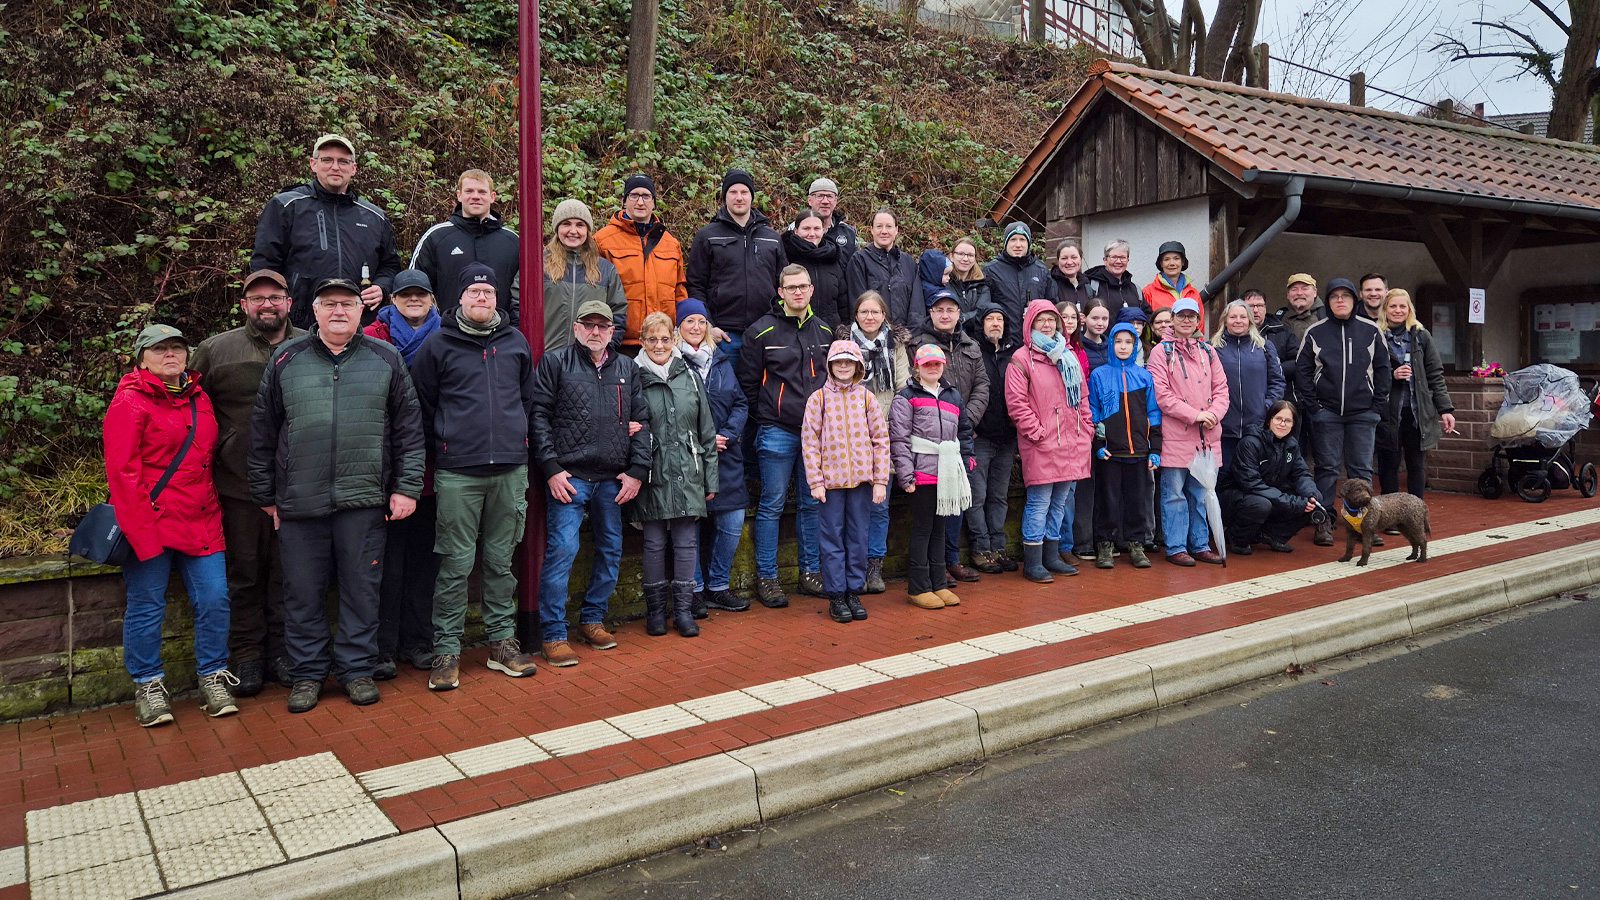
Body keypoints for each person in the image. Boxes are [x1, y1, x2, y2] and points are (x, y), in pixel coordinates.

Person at [248, 278, 425, 713]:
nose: (339, 311)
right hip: (299, 501)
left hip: (364, 500)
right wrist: (266, 495)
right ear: (314, 311)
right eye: (329, 304)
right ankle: (307, 675)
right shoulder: (286, 357)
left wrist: (406, 488)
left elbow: (409, 430)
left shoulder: (386, 357)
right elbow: (263, 432)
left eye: (347, 304)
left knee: (361, 590)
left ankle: (356, 670)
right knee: (302, 593)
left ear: (362, 311)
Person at [409, 263, 538, 690]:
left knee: (501, 563)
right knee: (455, 563)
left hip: (510, 470)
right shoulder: (438, 344)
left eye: (488, 292)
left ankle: (502, 643)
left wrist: (515, 440)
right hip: (458, 473)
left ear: (497, 298)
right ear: (460, 297)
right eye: (474, 291)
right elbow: (423, 405)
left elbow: (526, 398)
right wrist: (448, 443)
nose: (482, 297)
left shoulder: (515, 341)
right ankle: (447, 649)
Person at [104, 324, 235, 727]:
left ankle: (213, 676)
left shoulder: (198, 396)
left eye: (177, 348)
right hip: (150, 521)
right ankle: (148, 684)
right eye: (159, 349)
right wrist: (141, 535)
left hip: (200, 517)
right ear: (141, 359)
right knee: (146, 606)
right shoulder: (129, 401)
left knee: (214, 599)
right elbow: (122, 473)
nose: (170, 355)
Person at [191, 271, 303, 697]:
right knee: (244, 574)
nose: (266, 304)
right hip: (238, 487)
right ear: (244, 306)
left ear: (289, 302)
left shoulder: (311, 344)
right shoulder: (216, 350)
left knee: (290, 574)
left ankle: (282, 653)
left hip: (298, 485)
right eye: (257, 298)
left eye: (275, 296)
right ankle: (249, 656)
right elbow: (189, 409)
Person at [530, 300, 652, 667]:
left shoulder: (627, 368)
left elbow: (642, 421)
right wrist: (551, 468)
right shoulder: (555, 362)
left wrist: (637, 470)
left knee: (611, 549)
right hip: (569, 477)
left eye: (602, 326)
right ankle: (553, 633)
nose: (595, 331)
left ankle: (592, 618)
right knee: (562, 551)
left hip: (612, 478)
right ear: (576, 328)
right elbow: (538, 416)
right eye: (588, 325)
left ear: (612, 331)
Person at [361, 269, 442, 679]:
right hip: (383, 468)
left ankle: (419, 641)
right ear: (392, 299)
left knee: (424, 561)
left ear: (431, 299)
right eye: (406, 294)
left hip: (432, 464)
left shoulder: (447, 337)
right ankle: (383, 648)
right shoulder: (371, 338)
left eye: (421, 294)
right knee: (386, 564)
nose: (414, 300)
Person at [737, 264, 832, 607]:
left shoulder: (825, 331)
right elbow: (747, 383)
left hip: (816, 434)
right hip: (776, 431)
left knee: (811, 503)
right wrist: (767, 414)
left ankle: (810, 573)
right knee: (772, 504)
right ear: (780, 292)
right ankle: (767, 577)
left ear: (811, 289)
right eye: (791, 287)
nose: (797, 292)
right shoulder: (760, 331)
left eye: (803, 286)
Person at [250, 134, 402, 329]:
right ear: (313, 164)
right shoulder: (286, 206)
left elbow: (390, 266)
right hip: (299, 325)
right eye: (327, 160)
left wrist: (381, 287)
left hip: (359, 324)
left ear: (353, 168)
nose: (335, 167)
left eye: (343, 161)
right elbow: (264, 266)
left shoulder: (374, 217)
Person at [633, 311, 719, 639]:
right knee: (654, 543)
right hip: (651, 473)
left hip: (688, 471)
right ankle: (656, 613)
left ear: (674, 340)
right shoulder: (632, 376)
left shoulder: (690, 376)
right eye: (652, 339)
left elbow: (706, 432)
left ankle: (683, 611)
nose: (659, 345)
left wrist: (710, 479)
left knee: (686, 543)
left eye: (665, 339)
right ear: (642, 342)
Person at [1296, 276, 1392, 546]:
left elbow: (1384, 370)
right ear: (1327, 301)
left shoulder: (1371, 331)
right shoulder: (1315, 332)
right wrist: (1314, 406)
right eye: (1335, 296)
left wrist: (1376, 406)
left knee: (1361, 471)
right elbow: (1303, 371)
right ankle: (1323, 521)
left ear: (1354, 299)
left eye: (1345, 296)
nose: (1340, 301)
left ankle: (1362, 524)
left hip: (1363, 413)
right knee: (1326, 469)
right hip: (1326, 413)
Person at [800, 340, 890, 624]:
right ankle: (836, 594)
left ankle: (854, 590)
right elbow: (809, 443)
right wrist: (815, 481)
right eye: (838, 361)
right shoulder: (818, 399)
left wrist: (880, 480)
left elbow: (881, 440)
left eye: (848, 361)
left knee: (858, 537)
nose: (843, 366)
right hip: (831, 485)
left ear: (857, 366)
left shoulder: (866, 398)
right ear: (829, 365)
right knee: (831, 538)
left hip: (862, 483)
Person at [1006, 299, 1091, 582]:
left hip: (1071, 441)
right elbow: (1017, 404)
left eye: (1051, 319)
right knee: (1039, 502)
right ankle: (1033, 561)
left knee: (1059, 502)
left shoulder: (1067, 355)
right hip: (1041, 443)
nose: (1046, 324)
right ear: (1029, 324)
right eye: (1040, 319)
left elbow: (1082, 398)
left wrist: (1086, 429)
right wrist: (1038, 433)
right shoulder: (1021, 359)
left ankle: (1051, 556)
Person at [908, 290, 989, 584]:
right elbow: (911, 387)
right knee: (930, 509)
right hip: (928, 444)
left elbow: (982, 385)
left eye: (950, 309)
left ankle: (951, 560)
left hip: (960, 435)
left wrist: (964, 420)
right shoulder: (916, 344)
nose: (945, 314)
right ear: (930, 313)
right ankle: (934, 566)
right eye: (939, 309)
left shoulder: (971, 345)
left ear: (958, 314)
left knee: (954, 501)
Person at [676, 300, 749, 614]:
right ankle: (693, 589)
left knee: (733, 521)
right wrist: (701, 440)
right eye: (689, 321)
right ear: (678, 326)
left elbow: (740, 403)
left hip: (725, 455)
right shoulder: (672, 361)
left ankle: (718, 586)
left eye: (701, 321)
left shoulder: (720, 360)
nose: (696, 327)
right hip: (689, 458)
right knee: (688, 525)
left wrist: (728, 434)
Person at [890, 344, 974, 609]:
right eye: (927, 364)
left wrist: (966, 461)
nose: (933, 368)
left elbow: (964, 431)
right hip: (921, 474)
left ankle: (939, 583)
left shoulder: (953, 395)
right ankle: (918, 587)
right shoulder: (906, 396)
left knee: (940, 530)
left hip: (947, 473)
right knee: (923, 529)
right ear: (917, 367)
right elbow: (899, 438)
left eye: (937, 363)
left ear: (943, 366)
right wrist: (906, 475)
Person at [1147, 297, 1229, 567]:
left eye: (1191, 316)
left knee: (1200, 493)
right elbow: (1162, 395)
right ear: (1172, 319)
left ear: (1198, 320)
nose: (1186, 320)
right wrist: (1195, 415)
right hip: (1176, 435)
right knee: (1174, 494)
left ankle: (1200, 544)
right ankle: (1176, 547)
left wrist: (1214, 413)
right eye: (1181, 316)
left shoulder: (1209, 351)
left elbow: (1222, 389)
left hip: (1207, 435)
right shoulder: (1161, 352)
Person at [848, 290, 911, 594]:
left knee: (878, 506)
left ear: (884, 315)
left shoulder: (896, 346)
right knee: (852, 507)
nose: (869, 317)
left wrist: (889, 426)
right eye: (864, 312)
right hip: (849, 436)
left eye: (875, 312)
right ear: (856, 315)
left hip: (883, 435)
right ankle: (854, 565)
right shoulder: (845, 345)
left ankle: (874, 565)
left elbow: (902, 389)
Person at [686, 169, 786, 349]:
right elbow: (695, 285)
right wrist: (708, 325)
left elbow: (783, 285)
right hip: (724, 335)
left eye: (744, 192)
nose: (739, 197)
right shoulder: (707, 236)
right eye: (733, 192)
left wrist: (779, 322)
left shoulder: (772, 237)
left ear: (751, 196)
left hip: (766, 332)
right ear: (725, 196)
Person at [1087, 322, 1161, 569]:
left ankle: (1136, 545)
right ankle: (1105, 545)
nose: (1123, 346)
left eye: (1128, 342)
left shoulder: (1144, 376)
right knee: (1107, 501)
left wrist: (1155, 449)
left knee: (1137, 501)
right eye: (1118, 341)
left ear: (1135, 345)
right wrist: (1098, 443)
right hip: (1110, 452)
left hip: (1138, 451)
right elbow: (1094, 411)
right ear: (1111, 344)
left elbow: (1153, 412)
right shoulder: (1099, 375)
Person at [409, 169, 520, 321]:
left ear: (492, 197)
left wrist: (514, 328)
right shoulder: (436, 237)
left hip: (501, 331)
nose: (476, 196)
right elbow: (414, 287)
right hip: (448, 331)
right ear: (459, 195)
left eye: (482, 192)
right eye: (469, 191)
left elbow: (523, 294)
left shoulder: (512, 242)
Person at [1376, 288, 1455, 499]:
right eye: (1393, 306)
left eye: (1402, 306)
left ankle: (1416, 511)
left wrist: (1445, 409)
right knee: (1389, 464)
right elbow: (1366, 373)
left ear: (1409, 309)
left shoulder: (1421, 336)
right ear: (1385, 309)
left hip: (1416, 411)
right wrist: (1391, 375)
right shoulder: (1376, 336)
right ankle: (1391, 512)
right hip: (1387, 412)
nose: (1398, 310)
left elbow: (1435, 374)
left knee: (1416, 464)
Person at [962, 299, 1022, 574]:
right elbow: (968, 390)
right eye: (990, 319)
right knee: (977, 496)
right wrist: (970, 424)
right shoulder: (974, 352)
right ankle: (980, 548)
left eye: (999, 319)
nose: (995, 324)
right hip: (980, 436)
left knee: (999, 496)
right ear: (981, 324)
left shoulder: (1014, 353)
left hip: (1007, 436)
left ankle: (998, 546)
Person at [593, 173, 688, 345]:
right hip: (620, 343)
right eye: (634, 195)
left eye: (646, 196)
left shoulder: (671, 243)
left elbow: (679, 292)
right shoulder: (602, 240)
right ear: (624, 201)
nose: (640, 202)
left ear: (654, 202)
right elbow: (595, 293)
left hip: (662, 342)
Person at [1218, 401, 1319, 554]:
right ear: (1269, 420)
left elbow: (1301, 473)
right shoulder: (1250, 443)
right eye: (1278, 419)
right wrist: (1291, 502)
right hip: (1237, 497)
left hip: (1270, 495)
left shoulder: (1291, 444)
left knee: (1313, 501)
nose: (1282, 424)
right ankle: (1236, 537)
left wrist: (1310, 494)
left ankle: (1272, 535)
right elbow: (1251, 484)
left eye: (1288, 421)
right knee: (1261, 504)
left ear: (1293, 424)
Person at [542, 199, 627, 353]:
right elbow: (518, 307)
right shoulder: (538, 265)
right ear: (557, 228)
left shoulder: (605, 270)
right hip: (546, 356)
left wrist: (605, 350)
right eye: (566, 224)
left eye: (580, 225)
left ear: (587, 230)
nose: (573, 231)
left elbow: (618, 312)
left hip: (590, 359)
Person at [1212, 298, 1285, 468]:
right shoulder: (1212, 348)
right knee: (1224, 476)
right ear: (1225, 320)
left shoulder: (1264, 347)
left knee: (1253, 474)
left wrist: (1266, 407)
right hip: (1224, 428)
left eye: (1243, 317)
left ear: (1250, 320)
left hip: (1256, 427)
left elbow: (1277, 382)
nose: (1238, 321)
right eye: (1233, 317)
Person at [1054, 300, 1095, 562]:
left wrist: (1087, 427)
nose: (1068, 322)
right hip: (1056, 426)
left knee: (1069, 492)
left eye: (1072, 317)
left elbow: (1084, 391)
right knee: (1053, 493)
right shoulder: (1050, 349)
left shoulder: (1079, 351)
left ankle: (1066, 545)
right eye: (1063, 317)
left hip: (1077, 426)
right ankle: (1055, 545)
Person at [846, 209, 920, 329]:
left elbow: (916, 305)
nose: (884, 231)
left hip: (905, 335)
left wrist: (913, 333)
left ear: (896, 230)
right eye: (879, 226)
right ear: (872, 230)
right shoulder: (859, 260)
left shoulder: (908, 262)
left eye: (889, 226)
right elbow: (857, 303)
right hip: (872, 334)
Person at [782, 211, 850, 328]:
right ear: (796, 231)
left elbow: (843, 303)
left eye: (817, 229)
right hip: (794, 330)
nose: (812, 234)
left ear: (823, 230)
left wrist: (844, 330)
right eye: (806, 229)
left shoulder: (833, 258)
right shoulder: (785, 256)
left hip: (830, 332)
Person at [986, 222, 1054, 331]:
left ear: (1028, 243)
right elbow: (984, 308)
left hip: (1034, 336)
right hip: (1004, 336)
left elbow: (1051, 305)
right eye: (1013, 239)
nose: (1018, 244)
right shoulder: (991, 270)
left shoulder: (1041, 271)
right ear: (1006, 243)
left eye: (1022, 240)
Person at [1082, 239, 1148, 318]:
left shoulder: (1136, 290)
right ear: (1105, 260)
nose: (1118, 261)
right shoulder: (1091, 286)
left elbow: (1147, 316)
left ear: (1128, 260)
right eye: (1114, 257)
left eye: (1122, 257)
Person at [801, 176, 859, 259]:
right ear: (809, 200)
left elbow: (855, 264)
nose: (825, 201)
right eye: (820, 196)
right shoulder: (796, 230)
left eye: (829, 196)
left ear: (836, 200)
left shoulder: (847, 232)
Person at [1141, 241, 1201, 317]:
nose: (1172, 263)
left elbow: (1199, 322)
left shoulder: (1193, 293)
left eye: (1176, 258)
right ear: (1161, 263)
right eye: (1166, 259)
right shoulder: (1148, 292)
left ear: (1182, 262)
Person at [947, 238, 991, 325]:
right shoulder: (944, 282)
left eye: (970, 255)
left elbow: (983, 313)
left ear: (975, 259)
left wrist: (962, 318)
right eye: (961, 254)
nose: (965, 259)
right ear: (951, 256)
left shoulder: (982, 285)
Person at [1051, 240, 1090, 310]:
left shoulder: (1087, 286)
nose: (1069, 262)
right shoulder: (1050, 285)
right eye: (1064, 258)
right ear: (1058, 260)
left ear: (1080, 258)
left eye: (1074, 257)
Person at [1079, 298, 1112, 373]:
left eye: (1104, 319)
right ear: (1084, 318)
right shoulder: (1078, 346)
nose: (1100, 323)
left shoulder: (1112, 346)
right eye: (1095, 318)